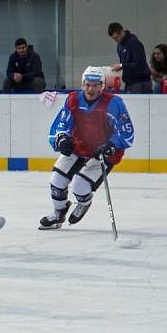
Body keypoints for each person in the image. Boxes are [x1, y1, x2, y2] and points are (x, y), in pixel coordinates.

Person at [39, 66, 135, 230]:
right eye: (87, 84)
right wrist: (62, 139)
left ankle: (84, 202)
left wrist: (111, 145)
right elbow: (62, 124)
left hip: (102, 153)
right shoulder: (73, 100)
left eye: (95, 85)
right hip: (79, 147)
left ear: (102, 85)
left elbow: (126, 133)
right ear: (83, 84)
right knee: (56, 181)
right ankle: (58, 213)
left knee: (80, 186)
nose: (90, 89)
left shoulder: (114, 103)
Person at [107, 23, 152, 94]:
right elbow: (125, 63)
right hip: (129, 81)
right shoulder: (120, 46)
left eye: (116, 37)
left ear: (122, 32)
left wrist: (121, 65)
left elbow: (140, 64)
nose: (115, 40)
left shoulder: (134, 42)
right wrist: (120, 67)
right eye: (113, 39)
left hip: (140, 81)